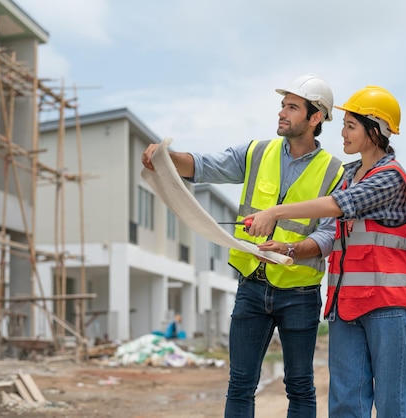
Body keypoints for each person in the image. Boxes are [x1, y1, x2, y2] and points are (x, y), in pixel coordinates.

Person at [142, 73, 344, 418]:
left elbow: (328, 235)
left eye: (292, 107)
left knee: (299, 386)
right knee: (240, 383)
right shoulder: (256, 152)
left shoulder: (334, 172)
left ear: (315, 118)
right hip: (251, 286)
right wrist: (168, 157)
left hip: (300, 293)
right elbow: (205, 165)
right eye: (282, 105)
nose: (282, 112)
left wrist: (291, 249)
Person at [244, 85, 406, 418]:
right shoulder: (349, 176)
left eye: (351, 126)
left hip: (388, 305)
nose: (341, 133)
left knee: (392, 404)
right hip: (345, 306)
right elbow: (330, 230)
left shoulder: (390, 179)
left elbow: (339, 205)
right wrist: (289, 248)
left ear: (377, 130)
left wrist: (275, 212)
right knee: (344, 404)